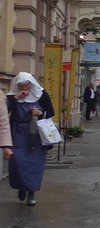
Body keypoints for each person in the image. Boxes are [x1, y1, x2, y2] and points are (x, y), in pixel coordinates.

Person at [6, 71, 55, 206]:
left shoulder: (41, 94)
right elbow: (5, 111)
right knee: (17, 162)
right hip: (17, 132)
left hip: (36, 135)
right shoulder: (12, 96)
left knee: (34, 164)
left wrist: (40, 113)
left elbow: (51, 111)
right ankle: (22, 187)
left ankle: (31, 193)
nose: (25, 88)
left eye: (27, 85)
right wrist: (17, 97)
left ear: (32, 84)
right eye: (21, 86)